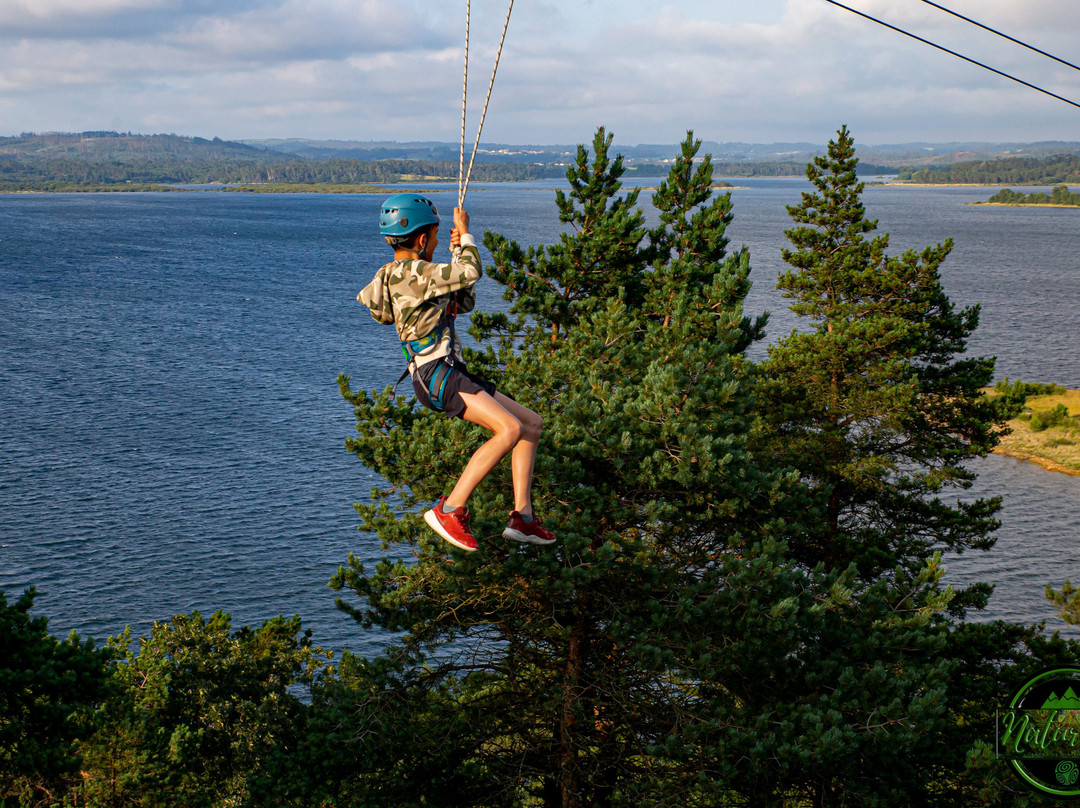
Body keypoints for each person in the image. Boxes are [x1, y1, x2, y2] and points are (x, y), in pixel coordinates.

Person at [358, 194, 555, 552]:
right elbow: (471, 271)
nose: (436, 241)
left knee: (530, 424)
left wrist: (452, 257)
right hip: (437, 373)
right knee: (508, 429)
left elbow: (462, 301)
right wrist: (465, 237)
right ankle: (449, 509)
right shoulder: (414, 273)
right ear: (421, 240)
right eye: (434, 236)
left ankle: (523, 518)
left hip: (446, 371)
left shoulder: (394, 277)